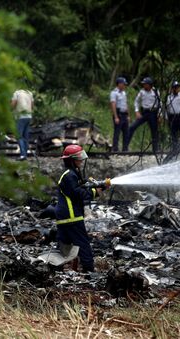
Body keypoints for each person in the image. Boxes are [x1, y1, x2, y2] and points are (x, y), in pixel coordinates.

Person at [55, 145, 105, 273]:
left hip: (64, 217)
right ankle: (90, 272)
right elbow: (78, 194)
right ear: (71, 160)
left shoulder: (71, 174)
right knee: (83, 244)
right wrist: (95, 192)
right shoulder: (69, 175)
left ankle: (55, 270)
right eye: (79, 158)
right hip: (71, 216)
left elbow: (80, 188)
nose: (81, 161)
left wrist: (98, 186)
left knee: (64, 246)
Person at [125, 77, 161, 153]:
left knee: (154, 131)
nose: (144, 85)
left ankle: (155, 150)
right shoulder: (142, 92)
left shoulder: (155, 92)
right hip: (144, 113)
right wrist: (137, 111)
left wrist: (159, 115)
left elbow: (159, 104)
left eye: (145, 84)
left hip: (153, 113)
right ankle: (125, 147)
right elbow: (136, 102)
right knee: (132, 127)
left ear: (149, 85)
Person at [165, 80, 180, 149]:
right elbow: (167, 108)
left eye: (177, 87)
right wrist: (167, 118)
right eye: (174, 87)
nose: (176, 89)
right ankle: (175, 148)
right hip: (172, 117)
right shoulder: (169, 98)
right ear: (172, 88)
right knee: (173, 133)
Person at [11, 89, 34, 160]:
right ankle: (25, 154)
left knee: (19, 136)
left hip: (20, 116)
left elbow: (13, 104)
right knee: (26, 135)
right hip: (28, 116)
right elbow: (32, 105)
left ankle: (22, 155)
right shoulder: (29, 93)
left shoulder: (16, 93)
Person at [110, 77, 129, 152]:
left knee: (126, 132)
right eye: (123, 84)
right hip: (118, 114)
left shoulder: (124, 93)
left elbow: (125, 104)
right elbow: (113, 104)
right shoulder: (114, 93)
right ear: (119, 84)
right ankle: (115, 149)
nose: (124, 86)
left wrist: (128, 115)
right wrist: (116, 117)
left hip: (124, 114)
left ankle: (125, 149)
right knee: (117, 132)